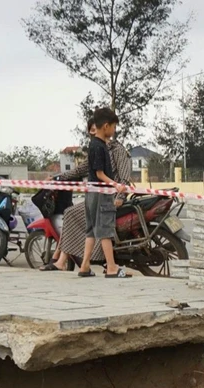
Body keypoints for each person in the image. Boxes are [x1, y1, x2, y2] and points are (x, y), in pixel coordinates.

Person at [42, 116, 134, 271]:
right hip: (97, 194)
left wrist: (119, 196)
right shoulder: (98, 147)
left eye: (93, 129)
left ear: (100, 127)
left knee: (91, 226)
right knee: (88, 227)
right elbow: (81, 169)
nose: (92, 132)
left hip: (109, 197)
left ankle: (68, 261)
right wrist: (58, 178)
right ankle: (79, 263)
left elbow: (123, 177)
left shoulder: (115, 150)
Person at [78, 107, 129, 278]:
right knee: (105, 229)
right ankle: (112, 268)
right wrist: (116, 185)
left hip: (91, 192)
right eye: (113, 127)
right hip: (101, 193)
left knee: (91, 230)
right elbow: (100, 173)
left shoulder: (94, 145)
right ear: (106, 126)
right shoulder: (99, 147)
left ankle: (84, 266)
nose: (114, 131)